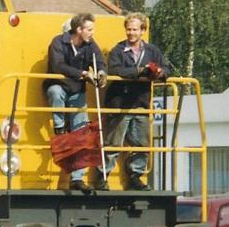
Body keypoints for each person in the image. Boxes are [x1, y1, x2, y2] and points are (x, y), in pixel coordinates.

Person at [96, 13, 168, 191]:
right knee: (113, 142)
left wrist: (158, 73)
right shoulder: (118, 50)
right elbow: (115, 69)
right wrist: (139, 71)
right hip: (120, 102)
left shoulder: (152, 51)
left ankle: (135, 176)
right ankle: (103, 176)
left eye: (135, 29)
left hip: (141, 103)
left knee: (141, 143)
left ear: (143, 30)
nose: (131, 33)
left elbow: (166, 69)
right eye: (128, 29)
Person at [44, 13, 107, 192]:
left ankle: (77, 178)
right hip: (60, 85)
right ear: (78, 29)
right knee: (55, 92)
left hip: (77, 91)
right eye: (89, 29)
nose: (92, 33)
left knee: (81, 134)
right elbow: (58, 66)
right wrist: (83, 74)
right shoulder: (58, 42)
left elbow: (99, 60)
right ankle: (59, 125)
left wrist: (101, 72)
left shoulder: (90, 45)